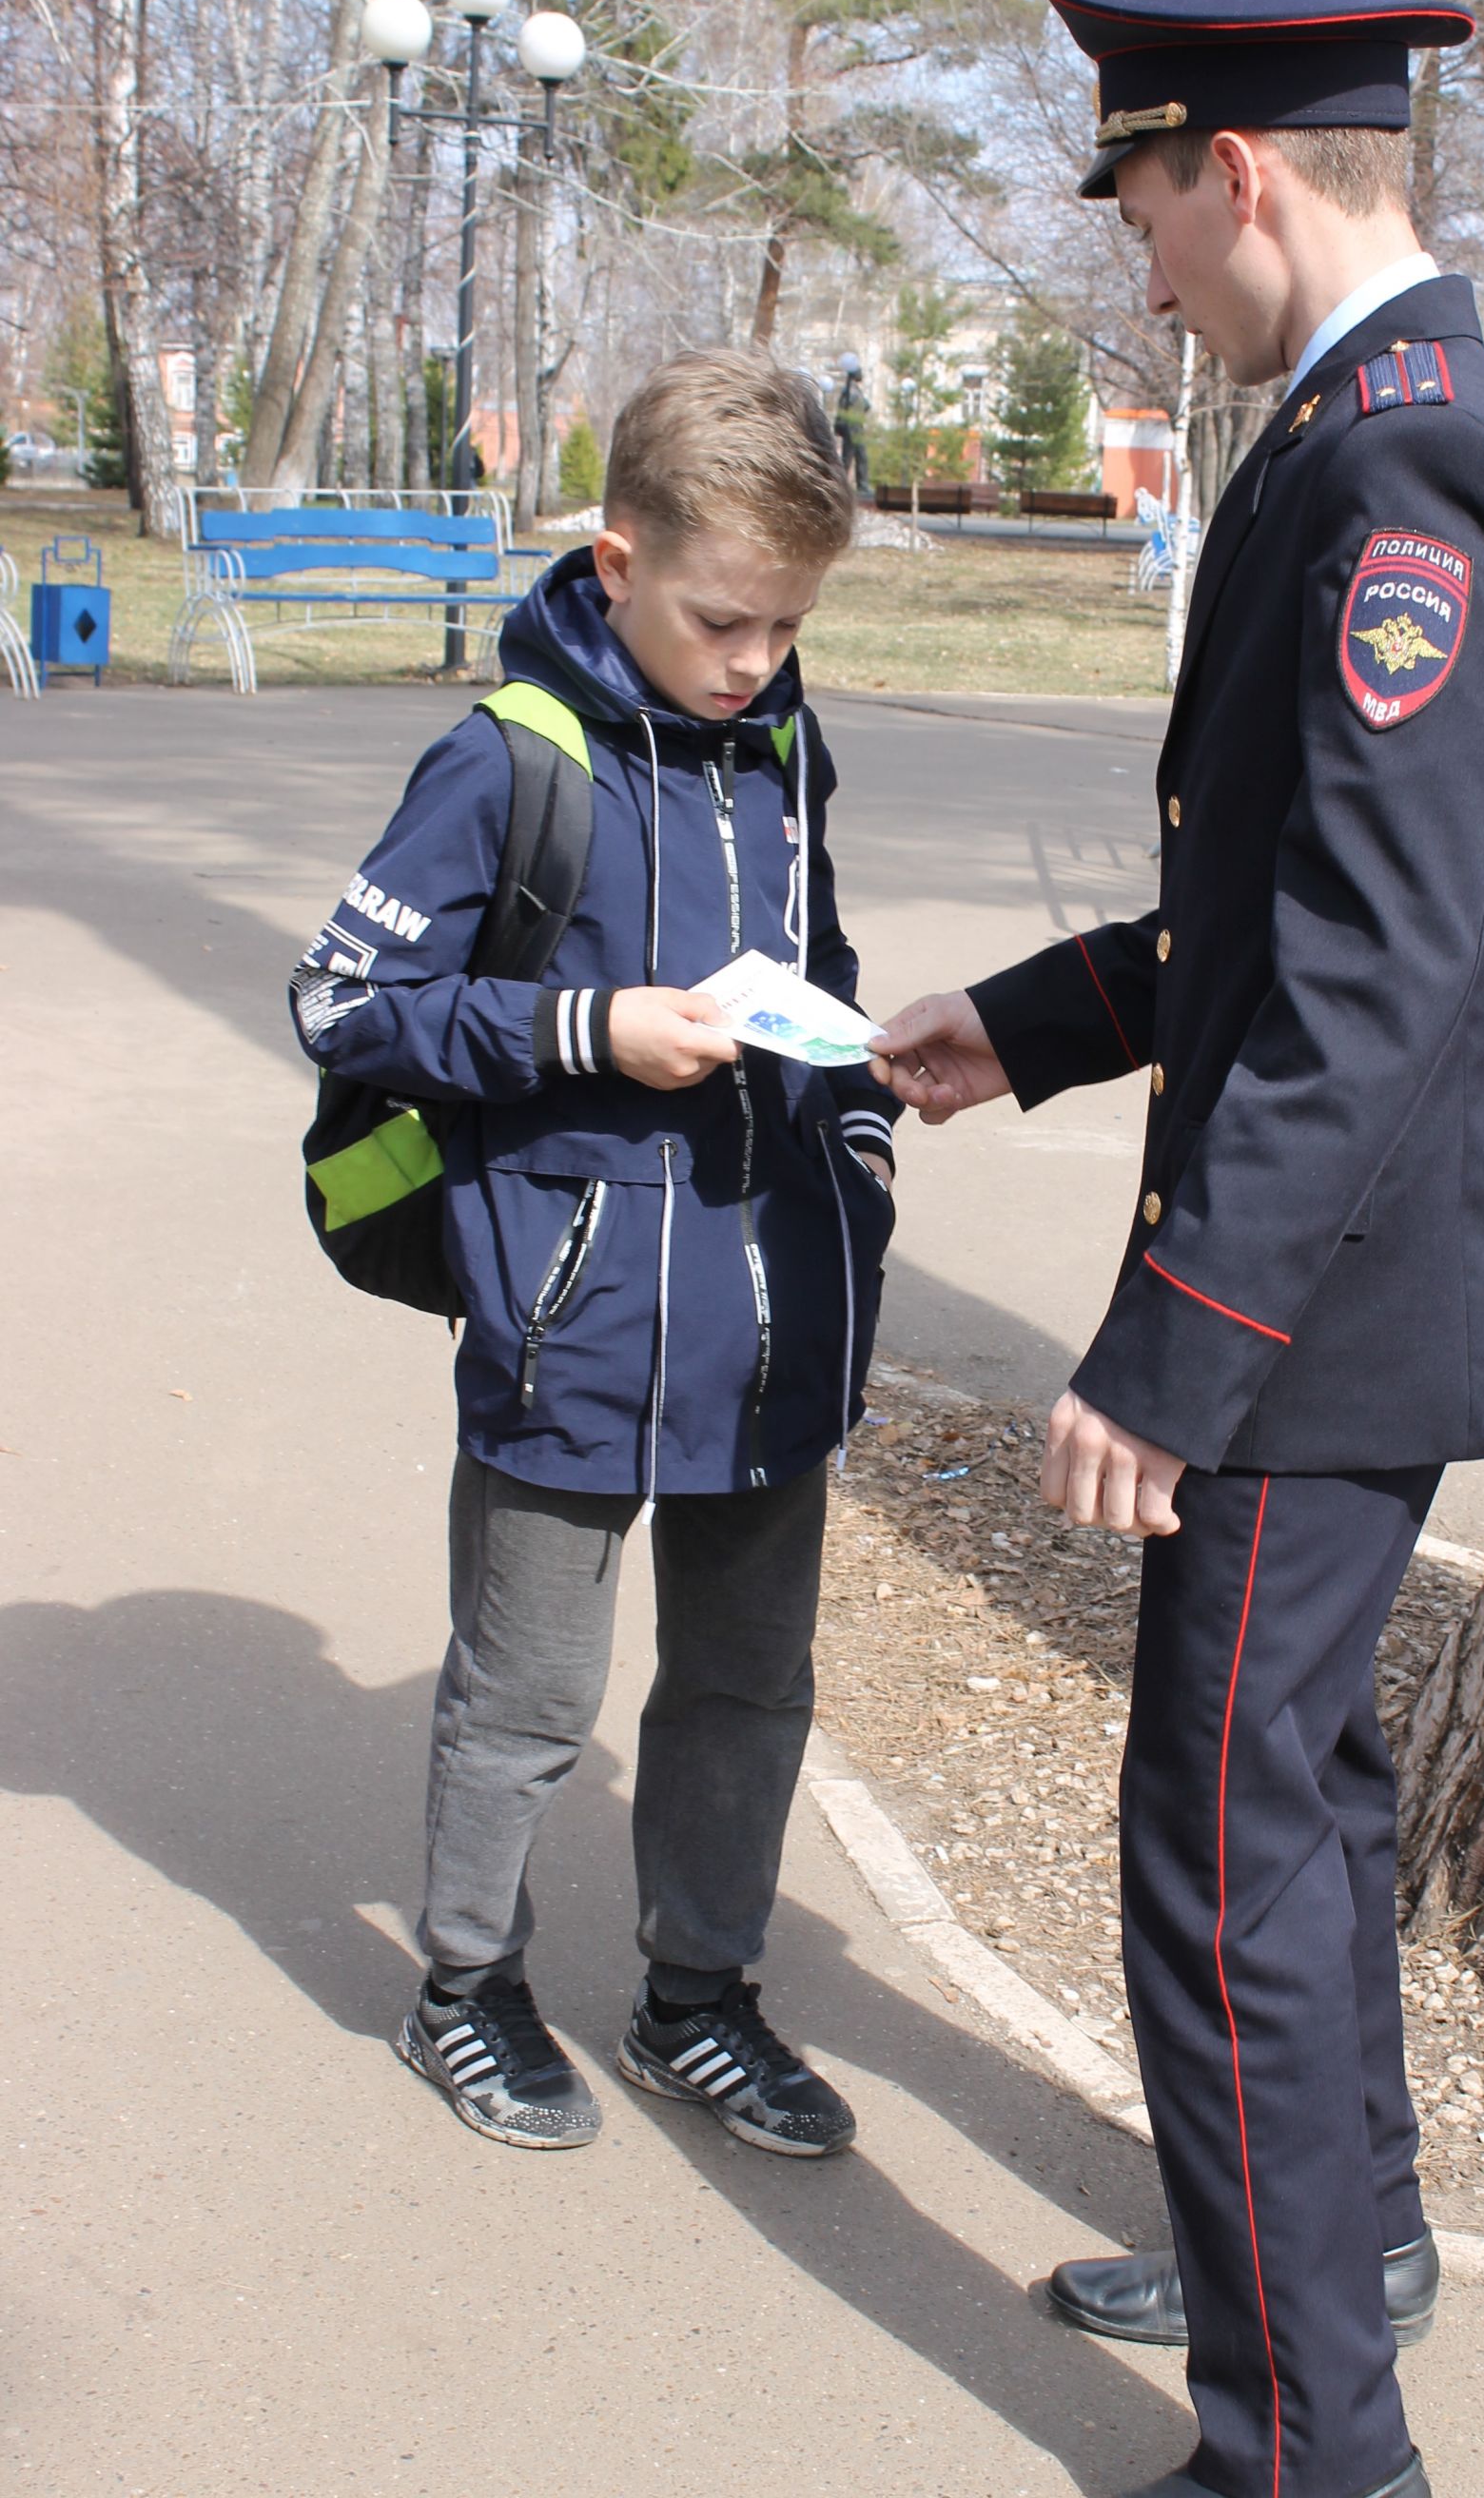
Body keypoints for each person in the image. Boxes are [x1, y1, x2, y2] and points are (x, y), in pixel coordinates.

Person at [870, 0, 1484, 2498]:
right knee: (1308, 1806)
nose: (1138, 274)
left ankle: (1311, 2450)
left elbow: (1367, 975)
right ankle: (1346, 2251)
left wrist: (1172, 1347)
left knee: (1221, 1862)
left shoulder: (1399, 463)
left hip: (1322, 1305)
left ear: (1234, 172)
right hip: (1351, 1277)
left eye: (1138, 210)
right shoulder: (1370, 424)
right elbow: (1274, 903)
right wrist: (1028, 1017)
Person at [290, 347, 898, 2159]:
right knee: (533, 1692)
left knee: (745, 1689)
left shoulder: (787, 740)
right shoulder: (510, 760)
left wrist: (855, 1116)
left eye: (788, 625)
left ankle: (697, 2002)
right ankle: (465, 1986)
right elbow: (343, 999)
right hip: (572, 1324)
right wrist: (587, 1034)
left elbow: (827, 961)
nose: (754, 661)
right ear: (618, 559)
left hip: (775, 1315)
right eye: (723, 619)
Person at [832, 351, 871, 497]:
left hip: (857, 427)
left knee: (861, 456)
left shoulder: (856, 390)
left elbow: (865, 405)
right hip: (851, 428)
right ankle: (840, 484)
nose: (861, 372)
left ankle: (863, 485)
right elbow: (843, 407)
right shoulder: (848, 390)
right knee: (847, 457)